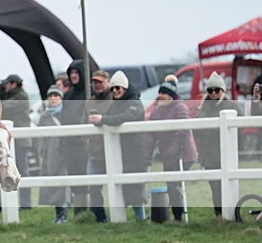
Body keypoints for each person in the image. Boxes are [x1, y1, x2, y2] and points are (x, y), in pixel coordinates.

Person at [88, 71, 147, 221]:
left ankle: (141, 219)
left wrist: (102, 119)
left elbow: (129, 116)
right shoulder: (117, 103)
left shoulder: (134, 102)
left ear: (125, 88)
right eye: (113, 89)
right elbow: (111, 117)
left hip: (135, 151)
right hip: (122, 151)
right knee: (125, 187)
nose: (115, 91)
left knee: (135, 187)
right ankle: (124, 219)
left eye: (118, 88)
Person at [143, 82, 198, 222]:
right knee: (171, 184)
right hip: (167, 154)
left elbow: (181, 131)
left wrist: (172, 151)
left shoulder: (181, 108)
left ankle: (178, 216)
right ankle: (174, 214)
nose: (160, 96)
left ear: (171, 96)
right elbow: (151, 135)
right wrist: (146, 154)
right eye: (159, 92)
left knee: (174, 185)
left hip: (184, 154)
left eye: (163, 93)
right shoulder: (156, 111)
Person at [194, 72, 243, 217]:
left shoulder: (231, 106)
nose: (213, 93)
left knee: (226, 186)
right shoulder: (203, 107)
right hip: (209, 155)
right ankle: (219, 215)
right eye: (210, 90)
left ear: (223, 90)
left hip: (225, 154)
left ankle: (230, 214)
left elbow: (241, 127)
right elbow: (196, 130)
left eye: (217, 90)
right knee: (214, 187)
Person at [0, 73, 32, 210]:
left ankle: (26, 204)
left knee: (22, 171)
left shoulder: (21, 96)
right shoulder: (15, 95)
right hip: (8, 142)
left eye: (6, 84)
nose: (4, 87)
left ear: (14, 84)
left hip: (19, 143)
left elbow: (4, 107)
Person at [59, 59, 89, 216]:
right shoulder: (69, 94)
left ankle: (88, 211)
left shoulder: (88, 94)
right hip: (69, 143)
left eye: (77, 72)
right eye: (71, 73)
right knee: (74, 177)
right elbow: (64, 117)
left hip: (83, 143)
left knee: (86, 177)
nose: (74, 75)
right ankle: (79, 212)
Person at [37, 85, 69, 223]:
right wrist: (42, 150)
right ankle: (59, 214)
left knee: (63, 185)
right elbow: (39, 136)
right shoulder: (44, 116)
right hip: (49, 155)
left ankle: (65, 214)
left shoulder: (66, 114)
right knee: (53, 185)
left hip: (63, 153)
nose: (53, 99)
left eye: (56, 96)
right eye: (51, 96)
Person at [84, 70, 112, 222]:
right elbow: (83, 124)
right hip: (94, 153)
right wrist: (87, 142)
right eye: (94, 82)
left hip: (113, 151)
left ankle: (119, 217)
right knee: (93, 187)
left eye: (100, 82)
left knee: (120, 186)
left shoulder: (115, 99)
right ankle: (100, 218)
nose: (97, 85)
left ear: (107, 82)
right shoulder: (89, 102)